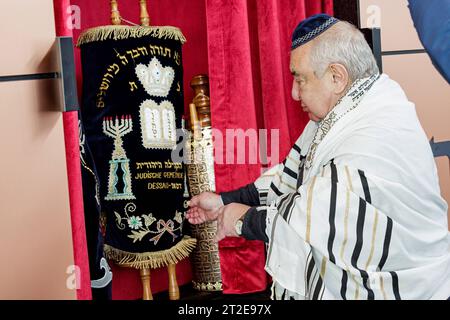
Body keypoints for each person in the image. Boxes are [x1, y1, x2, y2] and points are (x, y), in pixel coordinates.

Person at [186, 14, 450, 300]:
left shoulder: (373, 131)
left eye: (300, 78)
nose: (294, 92)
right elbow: (288, 177)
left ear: (337, 76)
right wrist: (223, 200)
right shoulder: (342, 114)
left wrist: (241, 219)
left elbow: (313, 217)